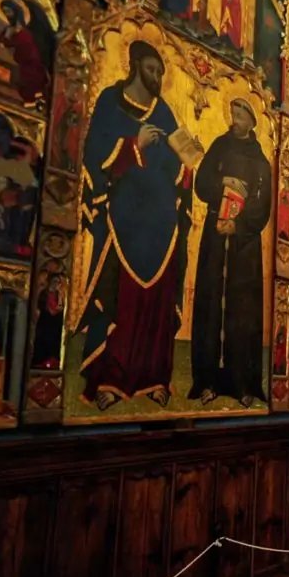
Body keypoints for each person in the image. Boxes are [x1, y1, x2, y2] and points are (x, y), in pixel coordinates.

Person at [77, 40, 193, 410]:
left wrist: (189, 161)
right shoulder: (111, 102)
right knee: (120, 297)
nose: (157, 77)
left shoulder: (166, 114)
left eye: (161, 72)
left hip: (161, 222)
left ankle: (154, 378)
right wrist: (133, 145)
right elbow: (94, 154)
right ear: (134, 66)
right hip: (124, 218)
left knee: (158, 300)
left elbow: (178, 164)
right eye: (151, 69)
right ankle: (109, 379)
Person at [188, 98, 271, 408]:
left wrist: (238, 225)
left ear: (251, 121)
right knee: (211, 300)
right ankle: (207, 381)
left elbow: (263, 203)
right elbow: (202, 183)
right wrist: (221, 182)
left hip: (243, 243)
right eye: (233, 114)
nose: (235, 120)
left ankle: (242, 383)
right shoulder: (219, 146)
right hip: (214, 232)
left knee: (242, 309)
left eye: (240, 115)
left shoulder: (260, 160)